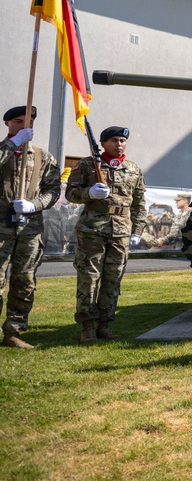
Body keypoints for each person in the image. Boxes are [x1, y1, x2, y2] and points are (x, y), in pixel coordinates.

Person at [65, 126, 146, 343]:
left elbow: (139, 203)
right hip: (93, 228)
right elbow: (71, 193)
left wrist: (137, 231)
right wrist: (88, 193)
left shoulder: (133, 169)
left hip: (121, 230)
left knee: (113, 278)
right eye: (113, 141)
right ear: (102, 144)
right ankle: (87, 327)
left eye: (122, 140)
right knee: (89, 277)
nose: (119, 144)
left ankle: (104, 324)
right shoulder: (87, 165)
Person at [0, 106, 60, 349]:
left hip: (29, 228)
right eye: (18, 121)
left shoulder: (43, 157)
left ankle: (14, 332)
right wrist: (13, 143)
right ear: (7, 124)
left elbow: (53, 190)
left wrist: (33, 205)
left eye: (30, 122)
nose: (25, 126)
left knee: (24, 281)